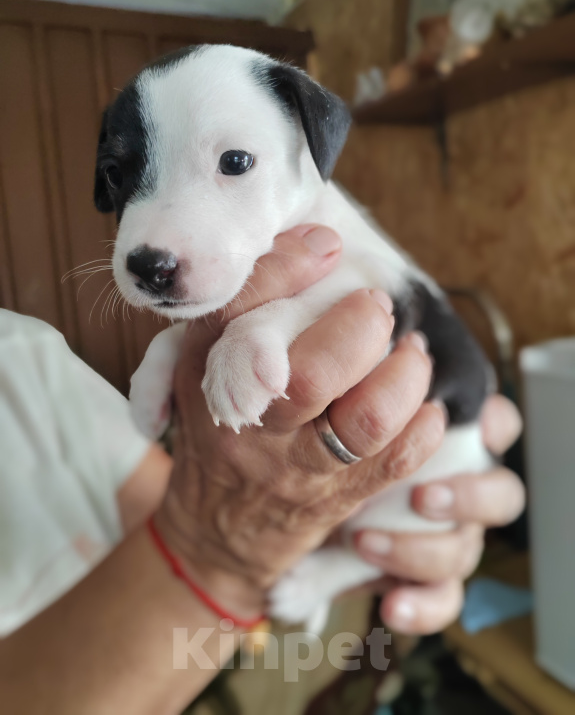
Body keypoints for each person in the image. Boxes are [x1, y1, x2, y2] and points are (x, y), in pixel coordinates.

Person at [0, 225, 524, 714]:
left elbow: (160, 498)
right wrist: (222, 553)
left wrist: (328, 518)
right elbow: (204, 534)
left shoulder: (20, 352)